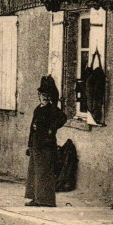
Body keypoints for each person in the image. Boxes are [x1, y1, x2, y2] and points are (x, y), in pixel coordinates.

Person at [25, 78, 67, 207]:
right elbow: (32, 128)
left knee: (45, 173)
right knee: (35, 172)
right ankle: (36, 198)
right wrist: (29, 145)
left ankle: (46, 200)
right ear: (39, 96)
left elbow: (63, 118)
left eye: (47, 96)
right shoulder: (38, 109)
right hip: (36, 144)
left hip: (46, 145)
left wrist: (51, 129)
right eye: (43, 95)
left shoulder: (52, 109)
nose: (45, 98)